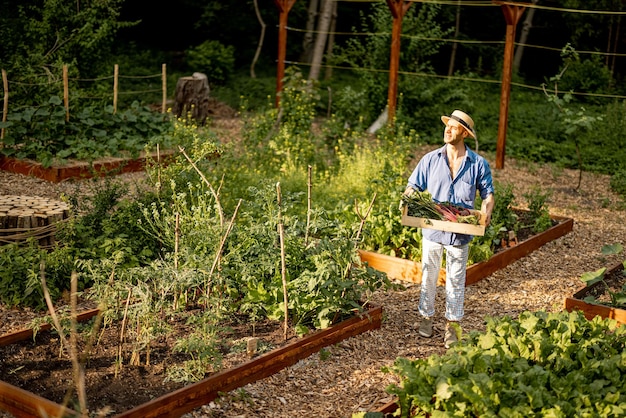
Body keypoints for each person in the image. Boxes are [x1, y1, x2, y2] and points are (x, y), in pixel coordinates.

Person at [401, 109, 495, 348]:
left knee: (455, 279)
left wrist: (487, 210)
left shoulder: (478, 164)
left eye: (453, 127)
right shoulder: (431, 159)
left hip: (460, 233)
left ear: (464, 132)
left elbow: (488, 195)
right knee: (429, 275)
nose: (447, 130)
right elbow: (413, 186)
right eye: (447, 126)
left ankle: (452, 327)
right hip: (432, 228)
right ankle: (425, 318)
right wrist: (406, 199)